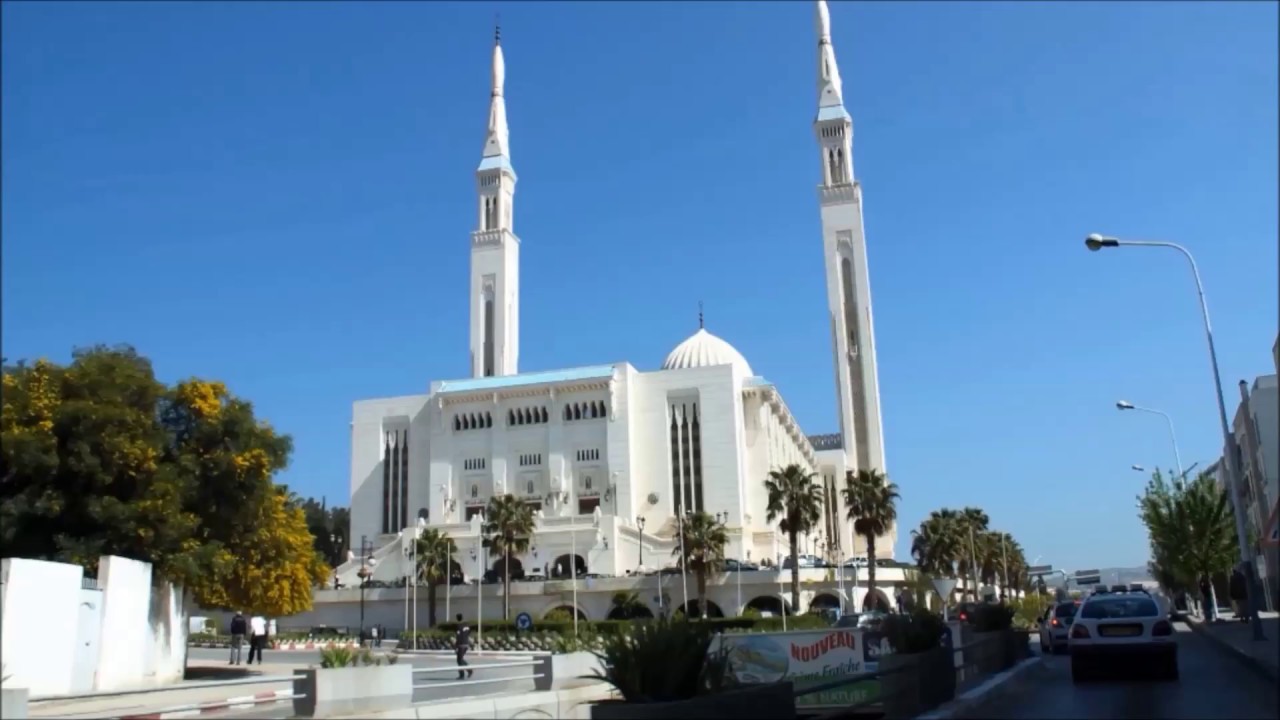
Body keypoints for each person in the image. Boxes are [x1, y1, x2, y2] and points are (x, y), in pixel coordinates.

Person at [454, 613, 474, 680]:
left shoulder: (458, 626)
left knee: (459, 660)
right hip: (466, 643)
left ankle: (465, 672)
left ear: (457, 618)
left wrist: (456, 646)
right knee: (460, 659)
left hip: (461, 644)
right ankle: (467, 671)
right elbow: (469, 632)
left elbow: (458, 636)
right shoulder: (467, 625)